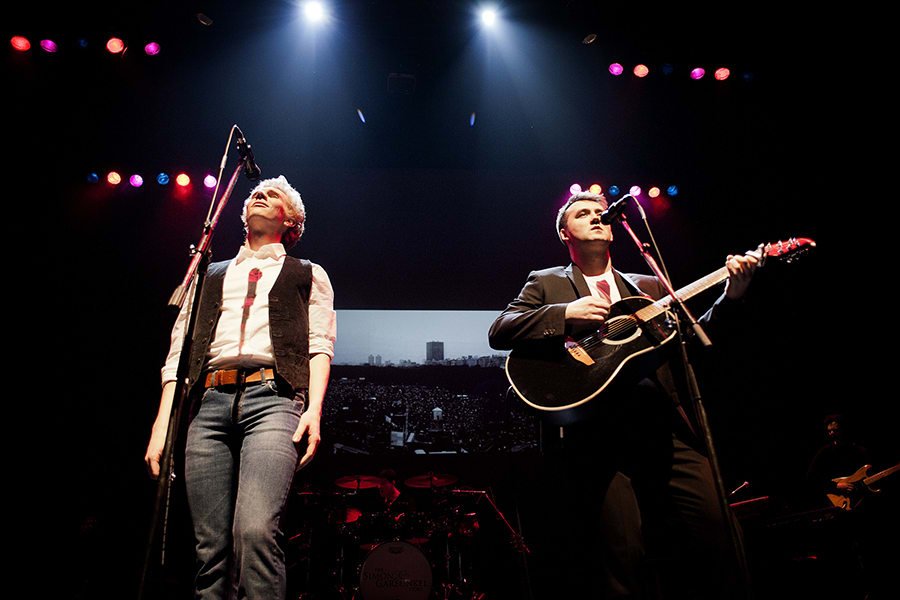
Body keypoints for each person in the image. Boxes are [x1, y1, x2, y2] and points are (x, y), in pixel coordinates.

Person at [488, 191, 759, 599]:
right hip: (596, 436)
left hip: (660, 424)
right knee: (622, 556)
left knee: (719, 528)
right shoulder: (546, 281)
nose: (597, 216)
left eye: (601, 212)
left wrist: (730, 296)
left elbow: (691, 338)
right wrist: (566, 314)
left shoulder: (648, 284)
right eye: (583, 213)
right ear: (566, 233)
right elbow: (501, 329)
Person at [144, 175, 336, 599]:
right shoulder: (209, 273)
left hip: (274, 399)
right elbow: (179, 351)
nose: (259, 196)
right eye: (255, 193)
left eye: (272, 195)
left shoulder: (307, 273)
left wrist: (313, 410)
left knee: (254, 532)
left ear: (291, 220)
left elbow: (320, 346)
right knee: (210, 550)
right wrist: (162, 426)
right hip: (209, 402)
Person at [806, 413, 872, 509]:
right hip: (838, 500)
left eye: (835, 431)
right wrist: (836, 486)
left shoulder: (858, 450)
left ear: (843, 430)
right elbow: (812, 478)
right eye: (829, 431)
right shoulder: (824, 453)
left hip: (860, 498)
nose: (832, 434)